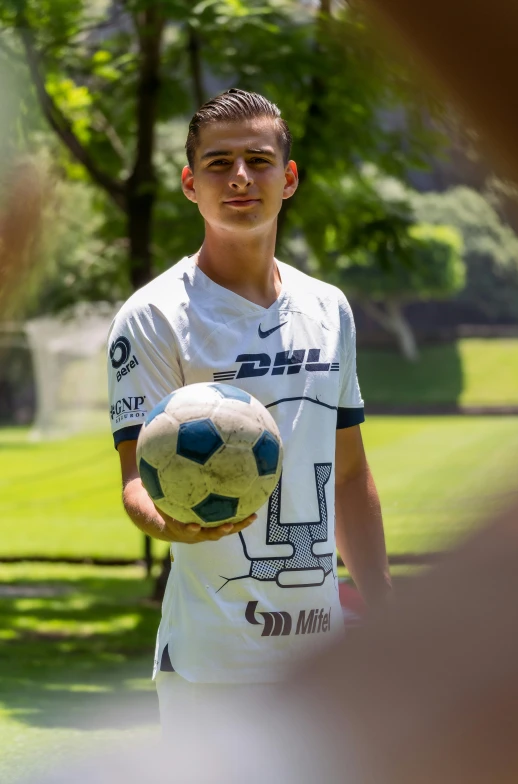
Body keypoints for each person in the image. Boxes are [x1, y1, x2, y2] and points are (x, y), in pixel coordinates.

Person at [107, 88, 391, 729]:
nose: (240, 177)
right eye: (218, 163)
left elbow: (347, 475)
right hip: (212, 666)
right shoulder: (154, 316)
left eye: (259, 161)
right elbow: (135, 478)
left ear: (288, 178)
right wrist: (170, 523)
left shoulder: (329, 308)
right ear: (189, 183)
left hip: (324, 663)